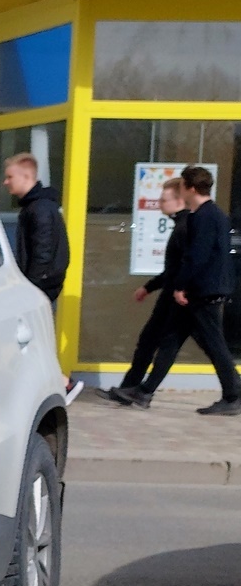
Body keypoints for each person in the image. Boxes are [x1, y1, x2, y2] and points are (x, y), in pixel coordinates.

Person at [118, 165, 240, 415]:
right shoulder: (210, 214)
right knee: (171, 341)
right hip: (202, 289)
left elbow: (198, 256)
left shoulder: (205, 216)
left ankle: (234, 394)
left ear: (191, 188)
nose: (180, 189)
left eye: (183, 185)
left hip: (204, 291)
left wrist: (181, 286)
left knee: (215, 344)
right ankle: (144, 391)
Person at [106, 179, 188, 408]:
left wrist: (158, 287)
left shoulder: (185, 227)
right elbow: (172, 270)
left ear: (179, 200)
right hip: (170, 293)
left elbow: (181, 267)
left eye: (164, 199)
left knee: (205, 344)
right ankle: (129, 388)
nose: (160, 203)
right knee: (148, 340)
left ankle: (233, 390)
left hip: (178, 296)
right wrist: (149, 287)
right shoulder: (179, 225)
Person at [2, 153, 69, 303]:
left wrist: (29, 288)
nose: (5, 182)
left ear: (26, 176)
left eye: (10, 177)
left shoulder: (39, 209)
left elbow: (42, 253)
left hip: (39, 289)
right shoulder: (36, 206)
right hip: (41, 287)